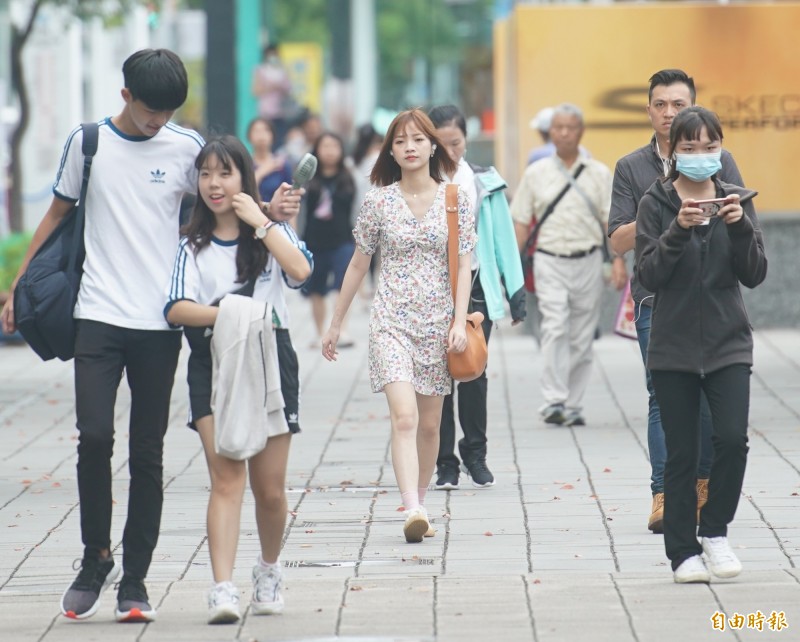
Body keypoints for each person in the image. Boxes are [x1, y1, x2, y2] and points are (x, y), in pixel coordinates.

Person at [1, 49, 206, 622]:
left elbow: (218, 202)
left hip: (160, 323)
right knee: (93, 437)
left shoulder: (186, 148)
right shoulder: (88, 143)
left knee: (147, 452)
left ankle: (135, 581)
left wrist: (264, 212)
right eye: (148, 110)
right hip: (98, 313)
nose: (156, 121)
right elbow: (57, 214)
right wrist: (17, 284)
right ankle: (96, 556)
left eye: (167, 111)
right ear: (124, 96)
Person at [165, 135, 312, 623]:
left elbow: (300, 268)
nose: (213, 184)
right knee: (226, 479)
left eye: (225, 173)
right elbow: (176, 309)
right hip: (214, 363)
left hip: (271, 359)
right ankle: (222, 588)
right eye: (205, 173)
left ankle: (268, 569)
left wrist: (263, 220)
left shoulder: (269, 232)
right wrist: (233, 314)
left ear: (244, 180)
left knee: (269, 489)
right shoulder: (191, 245)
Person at [321, 109, 476, 543]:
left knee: (430, 426)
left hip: (439, 325)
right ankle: (411, 505)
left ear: (432, 147)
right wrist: (336, 322)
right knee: (404, 417)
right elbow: (358, 263)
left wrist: (459, 320)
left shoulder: (455, 198)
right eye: (401, 141)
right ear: (391, 150)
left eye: (418, 140)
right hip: (391, 322)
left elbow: (464, 265)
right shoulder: (377, 201)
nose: (410, 147)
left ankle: (420, 503)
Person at [608, 69, 745, 534]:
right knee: (661, 397)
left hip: (714, 303)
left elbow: (748, 228)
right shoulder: (632, 169)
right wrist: (665, 208)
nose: (669, 113)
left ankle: (703, 491)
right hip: (656, 301)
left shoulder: (719, 162)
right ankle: (664, 494)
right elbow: (617, 240)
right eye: (661, 104)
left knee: (711, 405)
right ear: (648, 110)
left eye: (678, 104)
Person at [635, 106, 766, 583]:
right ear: (673, 152)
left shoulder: (736, 198)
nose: (700, 156)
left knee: (732, 440)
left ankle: (715, 532)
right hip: (672, 347)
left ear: (721, 149)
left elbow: (755, 273)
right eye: (688, 148)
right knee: (682, 453)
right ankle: (683, 553)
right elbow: (648, 274)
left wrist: (738, 225)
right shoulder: (656, 202)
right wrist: (679, 229)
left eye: (709, 147)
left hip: (729, 342)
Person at [427, 104, 526, 490]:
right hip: (432, 292)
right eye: (441, 144)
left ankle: (475, 454)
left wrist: (516, 295)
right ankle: (445, 463)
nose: (450, 152)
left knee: (473, 372)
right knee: (437, 380)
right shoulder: (419, 185)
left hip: (477, 290)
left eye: (455, 143)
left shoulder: (485, 183)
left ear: (466, 140)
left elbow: (503, 239)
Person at [512, 103, 626, 427]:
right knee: (555, 326)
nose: (563, 133)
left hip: (589, 260)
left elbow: (610, 222)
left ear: (581, 132)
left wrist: (618, 261)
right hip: (549, 260)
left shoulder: (599, 173)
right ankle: (553, 400)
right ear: (551, 133)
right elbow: (521, 221)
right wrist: (510, 269)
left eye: (570, 127)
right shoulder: (536, 173)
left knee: (581, 336)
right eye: (557, 128)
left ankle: (573, 403)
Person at [301, 131, 357, 346]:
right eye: (325, 146)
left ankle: (342, 330)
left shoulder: (347, 176)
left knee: (343, 285)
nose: (330, 151)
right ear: (317, 150)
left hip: (342, 239)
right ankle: (318, 332)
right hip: (314, 241)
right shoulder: (307, 177)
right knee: (316, 289)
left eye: (334, 146)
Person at [251, 44, 294, 148]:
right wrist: (269, 87)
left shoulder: (283, 70)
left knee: (280, 140)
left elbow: (289, 89)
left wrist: (280, 86)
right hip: (266, 112)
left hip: (281, 112)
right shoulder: (261, 70)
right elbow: (255, 91)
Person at [247, 117, 292, 203]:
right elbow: (245, 193)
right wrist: (261, 172)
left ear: (272, 135)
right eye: (256, 131)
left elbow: (291, 197)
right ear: (249, 137)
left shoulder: (282, 165)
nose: (261, 135)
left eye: (266, 130)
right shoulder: (245, 164)